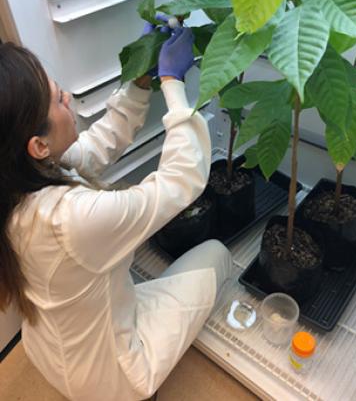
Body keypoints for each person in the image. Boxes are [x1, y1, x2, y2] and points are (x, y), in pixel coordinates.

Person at [0, 25, 232, 401]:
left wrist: (140, 81)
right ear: (38, 145)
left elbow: (94, 148)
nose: (70, 98)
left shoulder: (16, 181)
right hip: (110, 380)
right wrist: (174, 83)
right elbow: (181, 181)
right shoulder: (71, 220)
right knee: (218, 255)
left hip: (50, 352)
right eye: (60, 100)